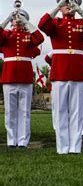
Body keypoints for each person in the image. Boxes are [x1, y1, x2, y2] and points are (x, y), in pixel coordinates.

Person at [38, 0, 83, 154]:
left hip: (78, 73)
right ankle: (62, 147)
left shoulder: (82, 23)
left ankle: (75, 147)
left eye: (71, 2)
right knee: (60, 111)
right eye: (66, 3)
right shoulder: (56, 22)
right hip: (60, 72)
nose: (68, 5)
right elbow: (42, 24)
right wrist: (58, 6)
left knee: (77, 111)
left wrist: (80, 10)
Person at [1, 8, 44, 148]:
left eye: (21, 18)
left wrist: (26, 23)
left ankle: (23, 141)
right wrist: (8, 19)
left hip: (25, 77)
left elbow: (40, 38)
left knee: (25, 111)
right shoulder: (6, 35)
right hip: (9, 76)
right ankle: (11, 141)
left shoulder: (29, 36)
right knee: (10, 111)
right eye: (16, 18)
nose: (17, 20)